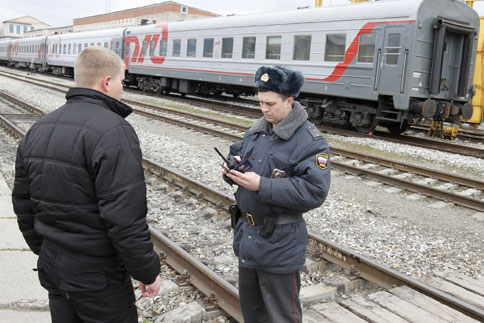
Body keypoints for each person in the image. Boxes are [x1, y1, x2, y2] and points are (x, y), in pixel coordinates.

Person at [11, 46, 161, 323]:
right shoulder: (114, 131)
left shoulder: (39, 128)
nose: (123, 90)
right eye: (121, 81)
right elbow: (125, 218)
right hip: (98, 278)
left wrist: (44, 250)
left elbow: (22, 203)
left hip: (54, 269)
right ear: (106, 81)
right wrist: (147, 271)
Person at [222, 65, 331, 323]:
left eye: (270, 104)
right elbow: (237, 151)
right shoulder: (259, 130)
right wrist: (231, 166)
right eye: (260, 102)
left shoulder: (310, 141)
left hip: (280, 243)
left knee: (281, 316)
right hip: (248, 238)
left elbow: (315, 191)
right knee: (253, 313)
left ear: (290, 101)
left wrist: (262, 185)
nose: (264, 109)